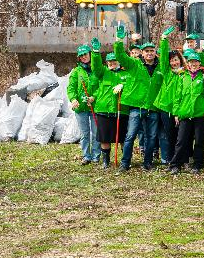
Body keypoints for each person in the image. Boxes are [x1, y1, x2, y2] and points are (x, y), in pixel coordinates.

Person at [113, 28, 159, 172]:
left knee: (151, 138)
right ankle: (125, 163)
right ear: (142, 53)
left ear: (154, 52)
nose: (149, 53)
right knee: (130, 136)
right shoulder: (135, 64)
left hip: (152, 107)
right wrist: (119, 41)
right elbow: (120, 56)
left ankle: (148, 162)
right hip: (136, 106)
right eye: (146, 51)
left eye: (152, 50)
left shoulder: (160, 67)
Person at [169, 51, 204, 175]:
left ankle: (198, 164)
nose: (193, 64)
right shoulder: (182, 76)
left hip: (199, 114)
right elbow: (177, 96)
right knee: (181, 140)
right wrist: (176, 113)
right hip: (185, 113)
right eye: (191, 62)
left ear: (199, 63)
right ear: (187, 64)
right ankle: (175, 164)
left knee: (199, 140)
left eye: (195, 61)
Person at [89, 40, 130, 169]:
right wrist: (95, 53)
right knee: (105, 138)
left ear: (119, 61)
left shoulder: (126, 74)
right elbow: (95, 67)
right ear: (107, 63)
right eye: (110, 62)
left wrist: (124, 86)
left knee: (123, 137)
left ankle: (125, 160)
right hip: (104, 109)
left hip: (121, 110)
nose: (112, 63)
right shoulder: (103, 72)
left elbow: (131, 87)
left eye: (114, 61)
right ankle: (106, 161)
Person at [155, 27, 184, 166]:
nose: (174, 62)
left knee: (181, 135)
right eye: (172, 60)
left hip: (180, 108)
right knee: (170, 134)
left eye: (176, 60)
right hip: (166, 107)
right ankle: (172, 159)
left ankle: (182, 158)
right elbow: (163, 60)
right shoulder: (167, 72)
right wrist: (163, 39)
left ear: (180, 60)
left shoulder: (185, 73)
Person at [68, 44, 100, 165]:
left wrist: (94, 97)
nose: (83, 57)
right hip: (81, 108)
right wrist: (73, 99)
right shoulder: (76, 72)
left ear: (90, 54)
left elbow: (101, 87)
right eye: (81, 56)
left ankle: (96, 156)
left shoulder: (97, 69)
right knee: (84, 133)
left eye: (85, 54)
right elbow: (71, 88)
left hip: (94, 106)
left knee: (96, 133)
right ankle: (87, 156)